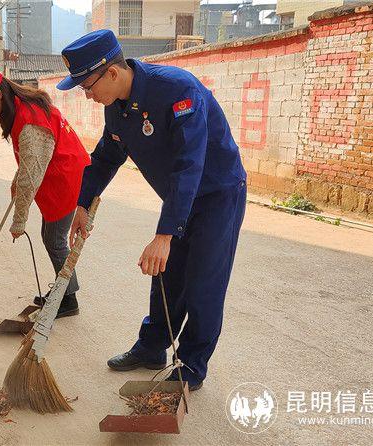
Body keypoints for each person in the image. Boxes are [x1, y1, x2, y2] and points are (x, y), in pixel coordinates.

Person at [58, 30, 247, 390]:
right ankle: (151, 348)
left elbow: (189, 166)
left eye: (87, 86)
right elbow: (105, 157)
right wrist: (83, 203)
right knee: (167, 275)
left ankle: (191, 366)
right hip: (179, 197)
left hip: (217, 195)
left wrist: (164, 234)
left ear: (112, 73)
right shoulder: (117, 109)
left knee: (202, 282)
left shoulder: (178, 90)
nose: (87, 95)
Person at [0, 65, 91, 318]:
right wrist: (16, 180)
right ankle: (65, 293)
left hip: (66, 179)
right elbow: (29, 164)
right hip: (61, 174)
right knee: (50, 237)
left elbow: (31, 176)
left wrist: (19, 221)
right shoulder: (23, 106)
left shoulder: (29, 119)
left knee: (54, 239)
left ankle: (68, 300)